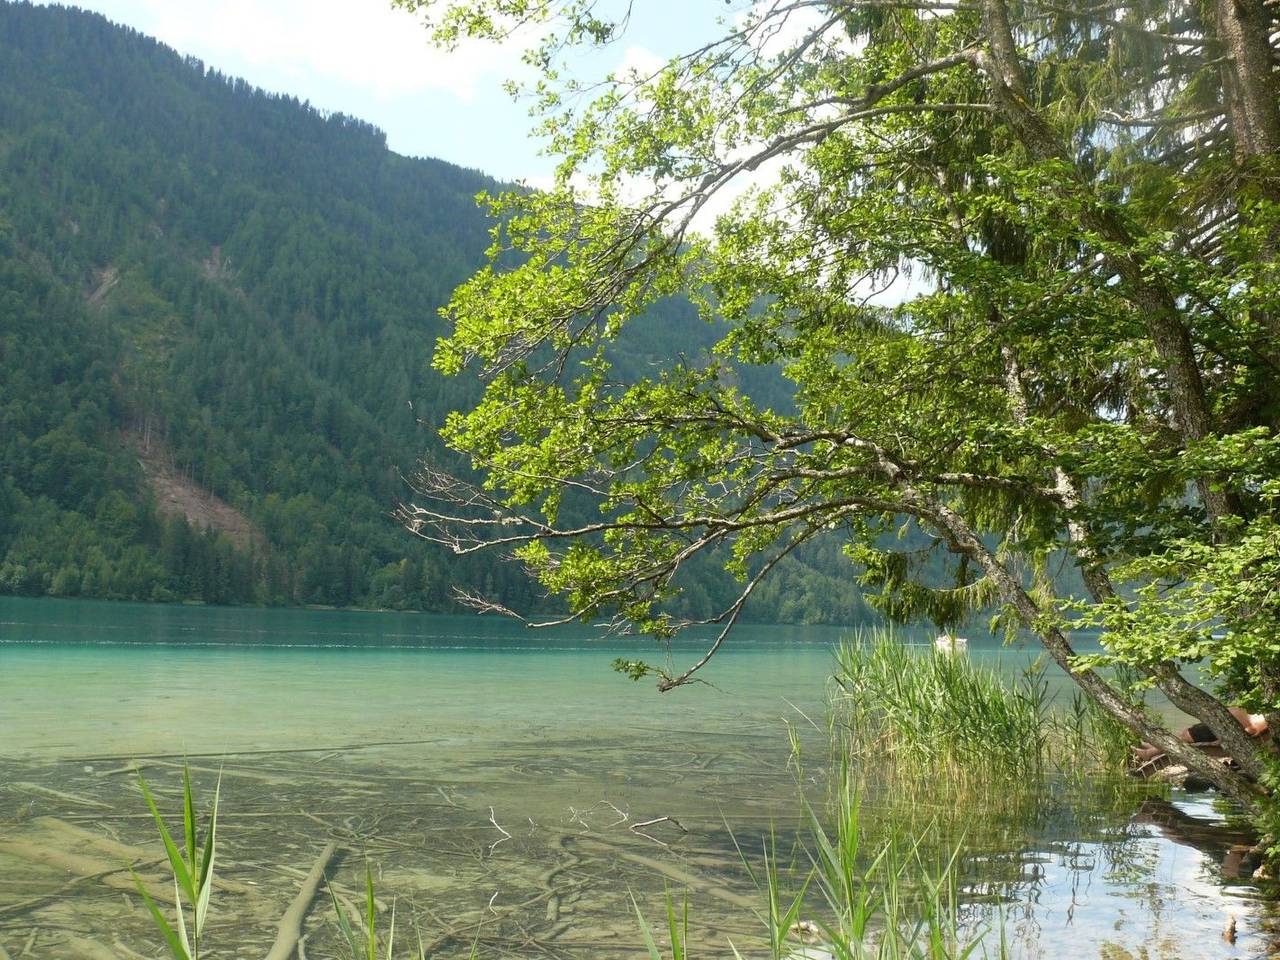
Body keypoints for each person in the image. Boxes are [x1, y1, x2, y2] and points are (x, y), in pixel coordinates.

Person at [1132, 707, 1268, 767]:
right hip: (1220, 725)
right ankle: (1154, 746)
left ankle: (1149, 753)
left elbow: (1251, 731)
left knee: (1184, 736)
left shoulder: (1265, 722)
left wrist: (1224, 738)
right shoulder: (1269, 716)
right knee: (1184, 733)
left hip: (1220, 730)